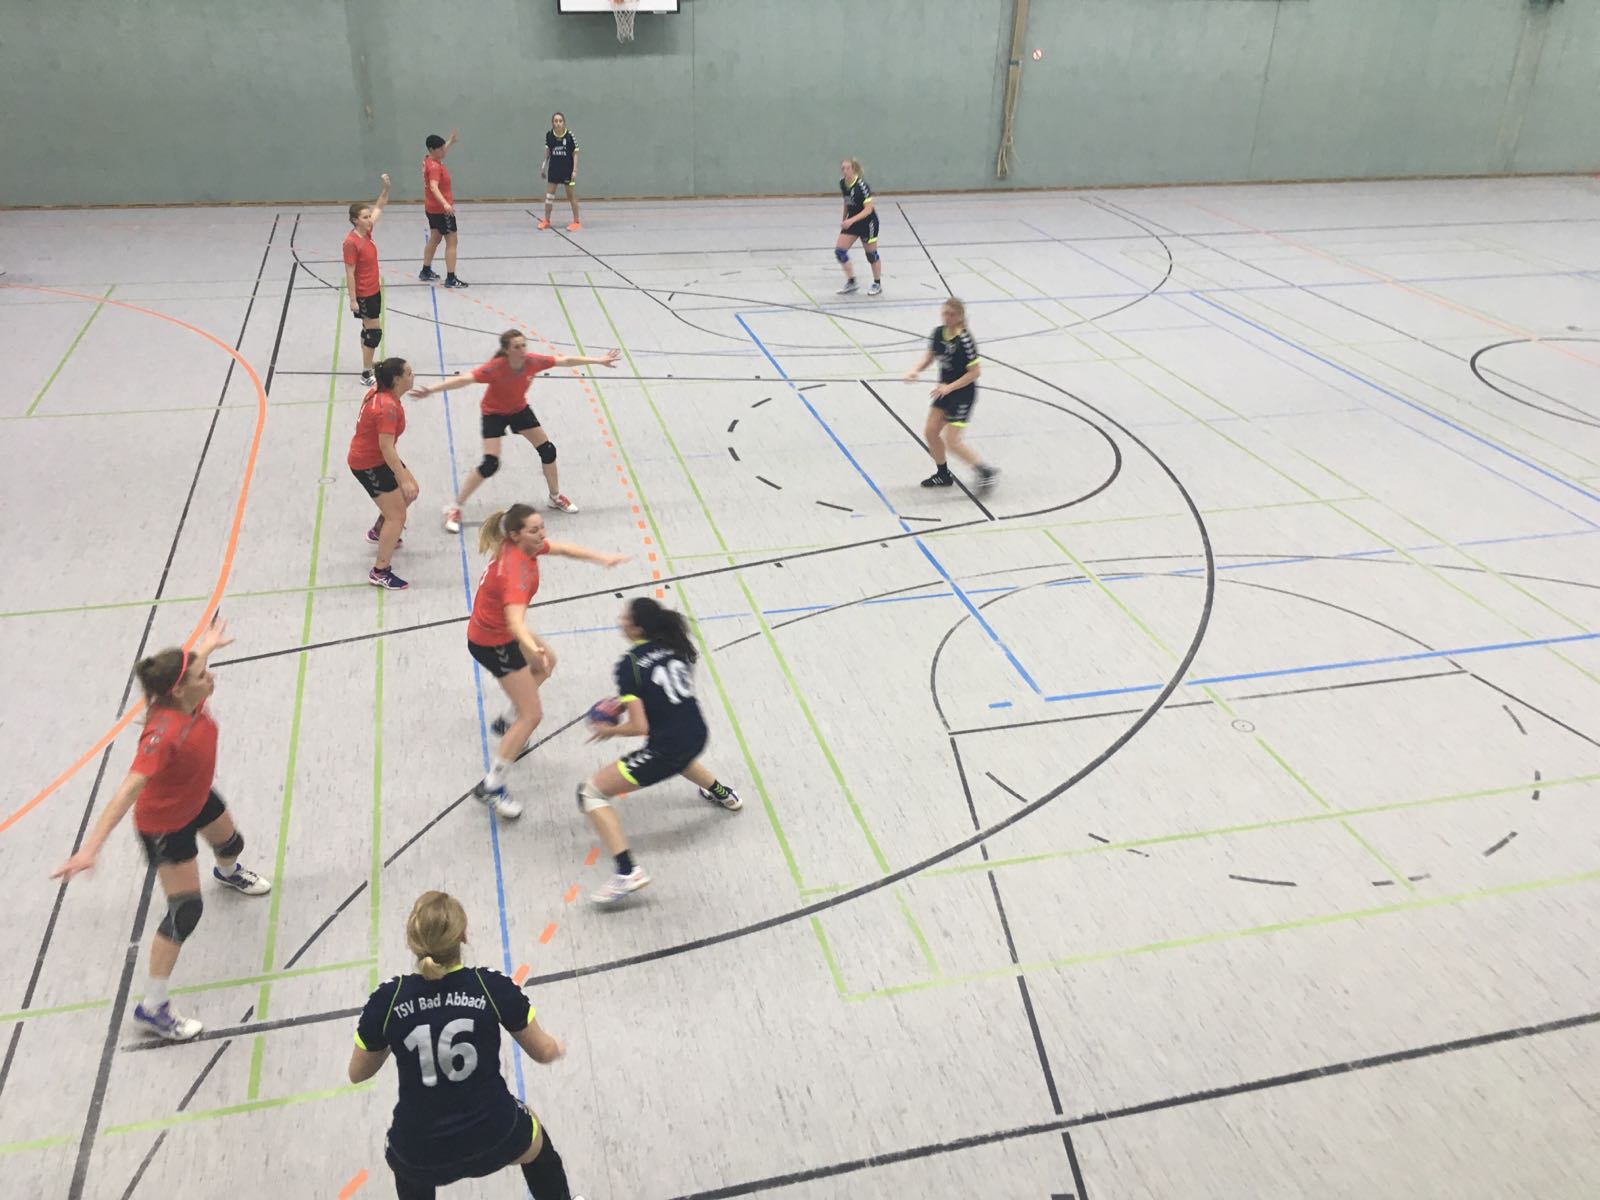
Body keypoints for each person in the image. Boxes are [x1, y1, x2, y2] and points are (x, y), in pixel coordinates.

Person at [51, 617, 272, 1042]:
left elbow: (190, 667)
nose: (210, 677)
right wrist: (90, 848)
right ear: (179, 690)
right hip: (165, 825)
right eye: (202, 675)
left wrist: (206, 645)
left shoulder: (188, 696)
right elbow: (127, 790)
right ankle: (153, 1007)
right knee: (185, 910)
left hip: (196, 796)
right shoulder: (163, 733)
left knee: (232, 843)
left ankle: (227, 872)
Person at [349, 891, 581, 1200]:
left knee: (407, 1163)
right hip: (495, 1135)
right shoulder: (491, 986)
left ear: (412, 940)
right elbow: (543, 1052)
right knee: (536, 1141)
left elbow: (358, 1074)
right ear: (463, 936)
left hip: (420, 1151)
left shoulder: (387, 999)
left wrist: (396, 1029)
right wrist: (559, 1047)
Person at [578, 598, 743, 905]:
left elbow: (639, 727)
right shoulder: (674, 647)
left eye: (625, 618)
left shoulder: (629, 666)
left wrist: (610, 730)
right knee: (681, 759)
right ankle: (724, 795)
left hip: (667, 746)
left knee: (590, 793)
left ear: (637, 628)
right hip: (697, 733)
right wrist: (627, 701)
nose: (620, 621)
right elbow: (664, 692)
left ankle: (627, 871)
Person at [467, 504, 628, 818]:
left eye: (542, 527)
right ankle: (491, 786)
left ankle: (506, 721)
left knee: (545, 663)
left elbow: (564, 549)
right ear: (516, 534)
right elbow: (515, 622)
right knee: (532, 715)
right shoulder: (514, 572)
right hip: (494, 642)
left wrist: (602, 558)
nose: (542, 534)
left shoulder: (521, 546)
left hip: (498, 631)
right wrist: (530, 646)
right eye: (534, 530)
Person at [410, 330, 620, 530]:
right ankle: (455, 507)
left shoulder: (532, 362)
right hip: (494, 413)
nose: (522, 350)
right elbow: (464, 380)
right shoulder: (495, 368)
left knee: (548, 450)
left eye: (524, 345)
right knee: (490, 464)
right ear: (507, 350)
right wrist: (431, 390)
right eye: (517, 347)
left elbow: (565, 361)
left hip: (519, 409)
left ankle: (555, 497)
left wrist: (599, 360)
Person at [902, 297, 997, 494]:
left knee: (952, 441)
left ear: (960, 317)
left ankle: (984, 471)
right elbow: (930, 356)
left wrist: (950, 387)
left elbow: (975, 373)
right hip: (944, 391)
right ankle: (943, 474)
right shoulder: (939, 333)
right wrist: (915, 370)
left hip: (962, 394)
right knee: (930, 432)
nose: (947, 318)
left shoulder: (965, 341)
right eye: (945, 313)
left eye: (952, 314)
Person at [348, 357, 421, 590]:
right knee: (397, 516)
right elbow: (386, 447)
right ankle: (380, 572)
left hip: (379, 457)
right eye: (408, 373)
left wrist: (405, 480)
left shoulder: (380, 393)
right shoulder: (386, 408)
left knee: (411, 491)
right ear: (397, 380)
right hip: (369, 463)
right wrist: (401, 477)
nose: (413, 376)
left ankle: (379, 531)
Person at [344, 173, 392, 386]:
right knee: (374, 333)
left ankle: (367, 363)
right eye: (365, 217)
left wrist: (386, 189)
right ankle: (366, 373)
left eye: (368, 216)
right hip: (364, 293)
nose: (369, 219)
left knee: (367, 330)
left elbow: (380, 206)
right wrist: (353, 299)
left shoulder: (367, 231)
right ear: (355, 220)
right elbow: (349, 272)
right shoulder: (351, 243)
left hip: (374, 289)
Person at [419, 130, 467, 289]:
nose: (443, 151)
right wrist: (445, 204)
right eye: (440, 149)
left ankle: (425, 271)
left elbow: (442, 150)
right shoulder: (434, 167)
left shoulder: (429, 159)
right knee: (452, 241)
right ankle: (451, 278)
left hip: (431, 208)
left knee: (435, 237)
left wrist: (450, 142)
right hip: (441, 211)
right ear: (432, 150)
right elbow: (433, 187)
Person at [835, 158, 882, 297]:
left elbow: (868, 209)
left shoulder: (862, 186)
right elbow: (847, 201)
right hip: (852, 221)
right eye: (843, 168)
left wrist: (851, 220)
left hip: (868, 222)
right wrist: (844, 219)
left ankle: (877, 283)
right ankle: (852, 282)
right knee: (840, 251)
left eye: (848, 168)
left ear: (853, 169)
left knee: (871, 255)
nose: (845, 171)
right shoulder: (842, 183)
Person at [537, 113, 581, 232]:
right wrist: (543, 167)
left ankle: (576, 222)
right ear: (553, 123)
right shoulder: (549, 135)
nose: (558, 123)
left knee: (571, 196)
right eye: (555, 121)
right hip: (554, 170)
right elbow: (547, 153)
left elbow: (575, 154)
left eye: (560, 121)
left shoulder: (570, 136)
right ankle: (546, 220)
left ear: (564, 122)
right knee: (549, 197)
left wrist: (574, 170)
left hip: (567, 171)